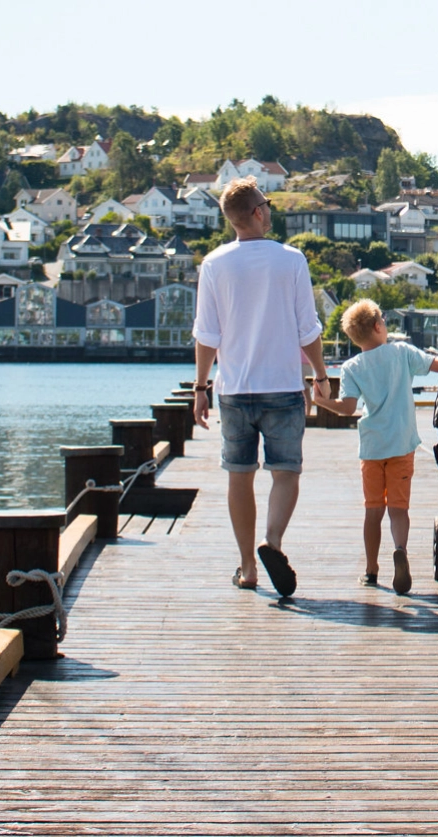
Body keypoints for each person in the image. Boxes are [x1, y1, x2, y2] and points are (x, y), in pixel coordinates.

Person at [192, 177, 328, 599]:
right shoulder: (291, 260)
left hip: (233, 389)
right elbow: (308, 329)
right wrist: (320, 375)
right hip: (283, 386)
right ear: (256, 212)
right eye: (266, 204)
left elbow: (206, 335)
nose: (270, 210)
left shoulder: (214, 264)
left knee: (239, 476)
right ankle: (273, 542)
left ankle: (249, 567)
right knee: (285, 471)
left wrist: (200, 387)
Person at [313, 300, 438, 593]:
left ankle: (370, 570)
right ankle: (400, 550)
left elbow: (348, 406)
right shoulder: (401, 352)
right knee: (398, 509)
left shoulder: (352, 366)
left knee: (373, 510)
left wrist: (320, 401)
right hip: (402, 445)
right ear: (379, 326)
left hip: (371, 448)